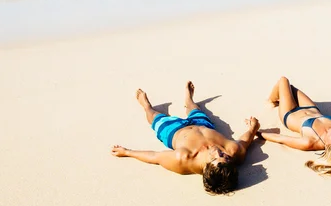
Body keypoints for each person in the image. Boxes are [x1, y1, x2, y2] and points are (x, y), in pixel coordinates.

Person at [111, 81, 260, 194]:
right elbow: (245, 140)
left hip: (174, 131)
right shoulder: (234, 152)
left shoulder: (183, 158)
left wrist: (127, 152)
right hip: (203, 125)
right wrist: (253, 128)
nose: (218, 152)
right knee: (194, 109)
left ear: (206, 167)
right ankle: (188, 99)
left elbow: (155, 157)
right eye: (225, 157)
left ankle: (146, 105)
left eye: (215, 158)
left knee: (154, 118)